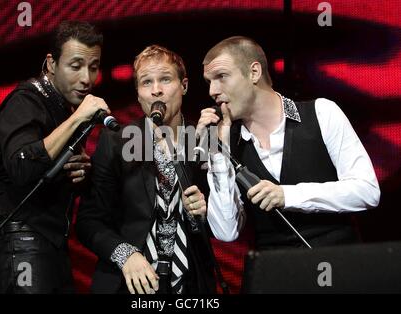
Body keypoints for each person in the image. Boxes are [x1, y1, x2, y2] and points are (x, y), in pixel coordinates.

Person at [76, 45, 241, 294]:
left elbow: (224, 226)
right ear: (138, 93)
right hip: (129, 284)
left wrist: (202, 213)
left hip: (191, 284)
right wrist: (126, 255)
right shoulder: (116, 141)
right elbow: (89, 221)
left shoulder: (205, 137)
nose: (156, 90)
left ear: (184, 85)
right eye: (146, 82)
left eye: (165, 79)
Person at [198, 36, 380, 250]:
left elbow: (367, 191)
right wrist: (218, 153)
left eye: (221, 77)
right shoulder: (228, 140)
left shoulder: (322, 113)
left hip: (339, 266)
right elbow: (226, 232)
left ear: (254, 72)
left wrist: (288, 195)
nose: (212, 91)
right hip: (274, 275)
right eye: (209, 82)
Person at [0, 21, 110, 293]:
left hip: (51, 243)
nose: (87, 78)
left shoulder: (66, 108)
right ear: (51, 64)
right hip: (20, 240)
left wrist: (80, 173)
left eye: (93, 66)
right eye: (75, 66)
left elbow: (48, 175)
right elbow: (20, 165)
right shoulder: (26, 100)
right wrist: (78, 118)